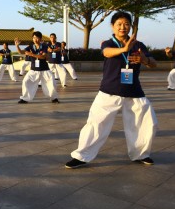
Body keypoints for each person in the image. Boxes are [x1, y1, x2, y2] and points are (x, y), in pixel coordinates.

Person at [65, 12, 158, 169]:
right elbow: (106, 52)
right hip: (109, 91)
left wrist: (145, 59)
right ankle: (82, 156)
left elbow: (154, 63)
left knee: (146, 124)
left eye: (126, 24)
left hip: (134, 91)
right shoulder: (108, 43)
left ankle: (141, 154)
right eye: (119, 24)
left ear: (131, 26)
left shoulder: (139, 45)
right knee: (96, 124)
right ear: (113, 26)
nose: (123, 27)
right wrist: (124, 49)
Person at [14, 32, 59, 103]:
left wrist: (31, 54)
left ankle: (54, 98)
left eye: (37, 38)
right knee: (26, 81)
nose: (35, 39)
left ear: (40, 39)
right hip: (34, 70)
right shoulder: (30, 46)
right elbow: (21, 52)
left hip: (44, 69)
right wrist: (17, 46)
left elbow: (43, 56)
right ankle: (25, 98)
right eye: (34, 37)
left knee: (51, 82)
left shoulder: (44, 46)